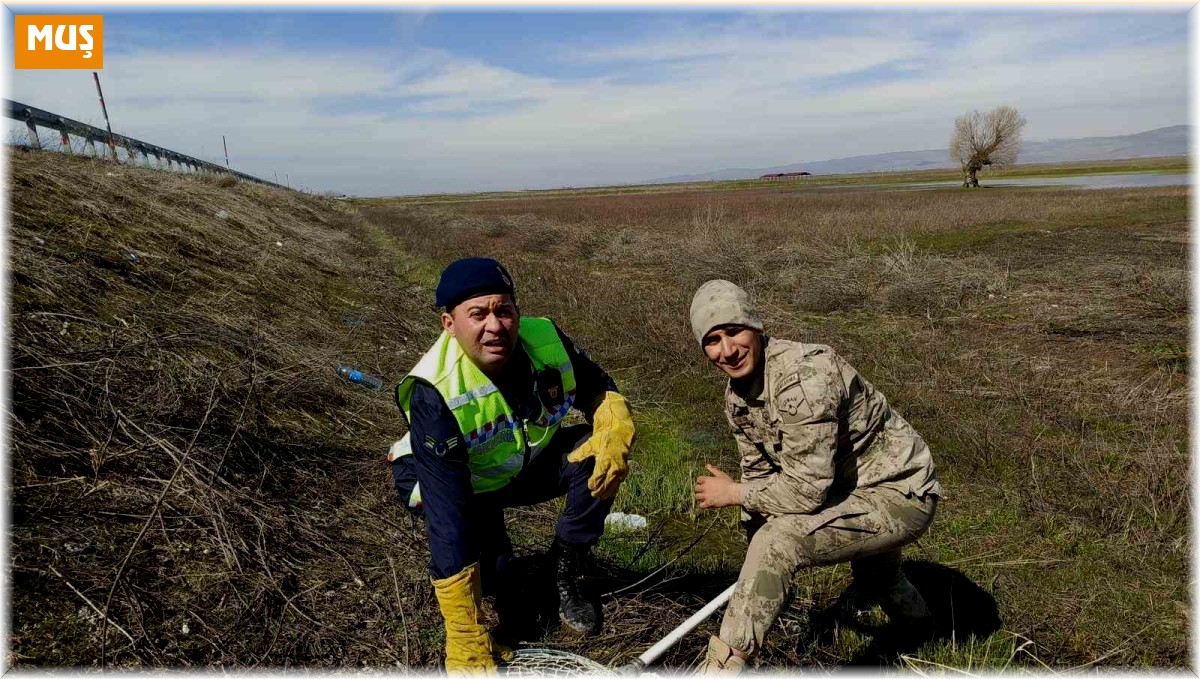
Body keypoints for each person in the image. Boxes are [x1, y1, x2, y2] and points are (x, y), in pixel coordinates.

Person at [389, 257, 635, 673]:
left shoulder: (545, 338)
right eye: (477, 314)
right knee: (496, 576)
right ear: (449, 324)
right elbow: (449, 520)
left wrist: (613, 422)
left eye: (504, 310)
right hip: (459, 482)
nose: (495, 326)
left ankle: (565, 570)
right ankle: (488, 585)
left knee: (600, 451)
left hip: (516, 463)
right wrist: (464, 632)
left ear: (517, 312)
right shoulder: (435, 392)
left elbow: (596, 386)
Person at [688, 279, 942, 673]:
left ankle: (722, 667)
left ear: (754, 327)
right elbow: (758, 470)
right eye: (713, 340)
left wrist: (736, 496)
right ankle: (924, 633)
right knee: (876, 575)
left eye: (734, 332)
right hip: (845, 490)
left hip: (899, 492)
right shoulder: (736, 397)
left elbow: (804, 494)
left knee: (779, 543)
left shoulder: (803, 378)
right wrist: (758, 570)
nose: (728, 350)